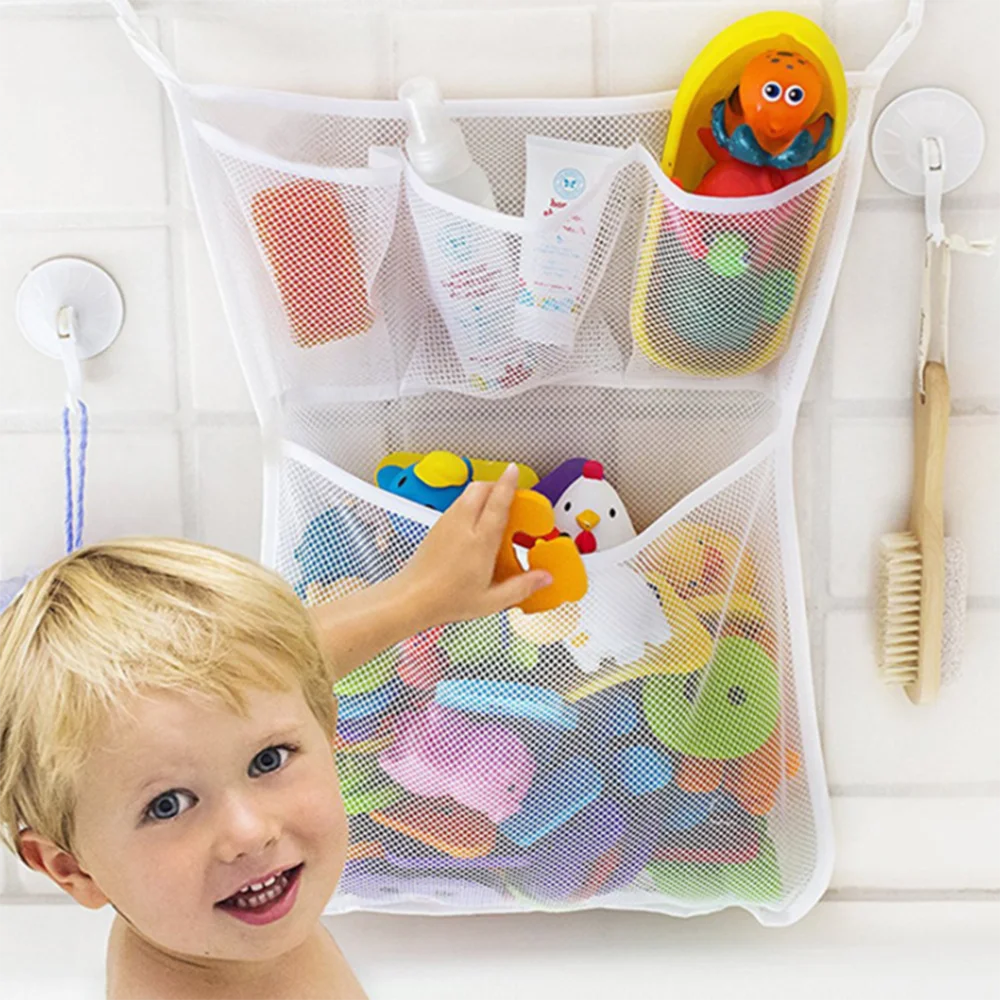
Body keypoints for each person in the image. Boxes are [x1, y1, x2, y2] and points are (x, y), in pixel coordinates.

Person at [0, 465, 550, 999]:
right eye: (168, 805)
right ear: (72, 869)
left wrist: (420, 596)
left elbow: (289, 668)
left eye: (268, 759)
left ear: (324, 723)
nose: (249, 832)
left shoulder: (197, 917)